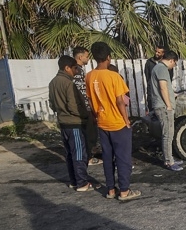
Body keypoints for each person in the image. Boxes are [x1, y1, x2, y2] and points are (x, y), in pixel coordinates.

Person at [86, 42, 141, 201]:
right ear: (108, 57)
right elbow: (120, 101)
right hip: (117, 123)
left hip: (102, 122)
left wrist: (96, 116)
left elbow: (90, 100)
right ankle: (124, 190)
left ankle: (110, 189)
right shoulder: (114, 76)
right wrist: (126, 120)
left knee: (107, 157)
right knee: (123, 158)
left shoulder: (89, 76)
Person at [49, 55, 96, 192]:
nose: (76, 71)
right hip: (74, 123)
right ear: (67, 68)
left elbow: (52, 104)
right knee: (79, 154)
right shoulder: (68, 83)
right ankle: (82, 183)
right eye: (74, 68)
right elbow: (73, 105)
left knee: (70, 154)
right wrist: (85, 116)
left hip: (63, 123)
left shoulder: (53, 82)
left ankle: (74, 181)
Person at [150, 50, 182, 171]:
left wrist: (173, 94)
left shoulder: (158, 68)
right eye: (174, 63)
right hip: (163, 107)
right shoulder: (162, 69)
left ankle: (170, 158)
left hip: (162, 105)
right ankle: (169, 161)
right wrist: (168, 105)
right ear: (171, 60)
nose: (174, 66)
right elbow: (163, 88)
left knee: (169, 134)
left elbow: (164, 88)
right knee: (168, 134)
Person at [72, 46, 101, 166]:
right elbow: (81, 92)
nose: (88, 59)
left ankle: (89, 154)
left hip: (84, 107)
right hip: (84, 108)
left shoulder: (78, 69)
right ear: (80, 57)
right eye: (86, 56)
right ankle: (88, 157)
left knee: (89, 133)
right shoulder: (77, 70)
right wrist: (88, 107)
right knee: (88, 133)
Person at [144, 45, 165, 113]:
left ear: (163, 53)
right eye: (156, 51)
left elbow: (169, 78)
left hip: (162, 92)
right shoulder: (149, 62)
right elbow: (147, 76)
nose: (156, 53)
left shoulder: (165, 63)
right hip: (151, 92)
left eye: (159, 52)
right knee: (152, 113)